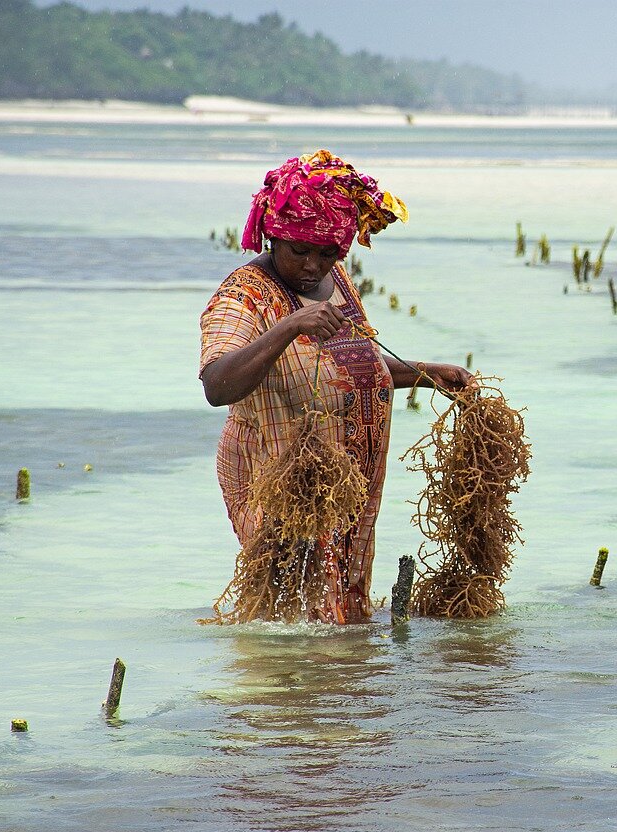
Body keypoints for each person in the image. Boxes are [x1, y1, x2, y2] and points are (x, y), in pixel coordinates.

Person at [199, 149, 470, 623]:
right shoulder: (243, 294)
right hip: (280, 478)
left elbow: (350, 366)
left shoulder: (337, 282)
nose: (312, 266)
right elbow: (217, 385)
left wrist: (427, 374)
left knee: (340, 617)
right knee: (291, 613)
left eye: (327, 254)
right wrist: (289, 326)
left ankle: (333, 693)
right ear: (274, 235)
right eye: (300, 250)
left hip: (347, 483)